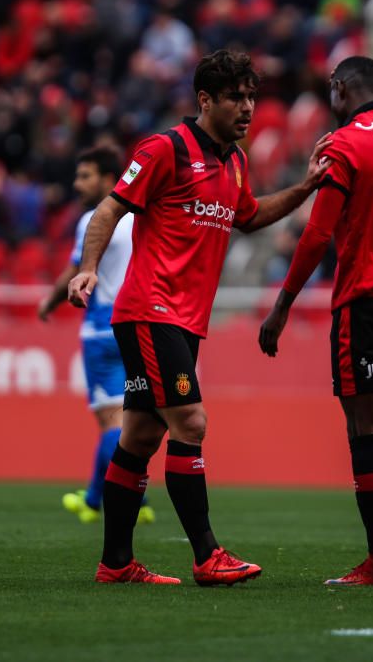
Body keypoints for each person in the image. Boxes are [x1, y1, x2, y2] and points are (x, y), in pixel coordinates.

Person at [67, 50, 331, 586]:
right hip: (150, 309)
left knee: (139, 437)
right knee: (192, 422)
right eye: (236, 97)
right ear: (205, 100)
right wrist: (88, 268)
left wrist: (305, 189)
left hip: (185, 320)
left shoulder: (233, 162)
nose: (248, 108)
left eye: (252, 97)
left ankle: (115, 564)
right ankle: (208, 555)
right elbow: (110, 208)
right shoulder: (165, 149)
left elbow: (249, 217)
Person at [258, 56, 373, 586]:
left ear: (339, 89)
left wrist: (282, 305)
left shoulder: (344, 144)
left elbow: (316, 235)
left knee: (364, 426)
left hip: (369, 298)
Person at [38, 146, 156, 526]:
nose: (77, 184)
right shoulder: (142, 217)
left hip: (103, 329)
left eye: (85, 175)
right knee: (134, 420)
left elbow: (75, 271)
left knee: (114, 425)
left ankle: (116, 499)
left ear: (109, 179)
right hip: (140, 324)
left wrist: (48, 303)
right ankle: (112, 501)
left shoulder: (95, 218)